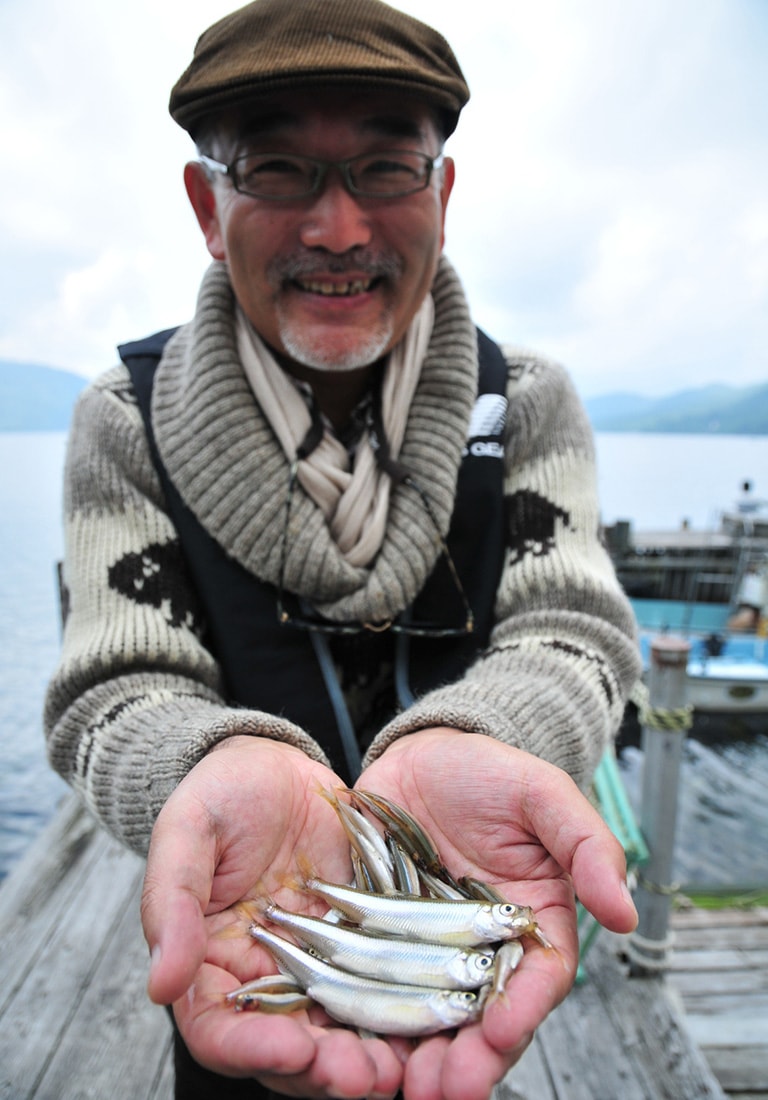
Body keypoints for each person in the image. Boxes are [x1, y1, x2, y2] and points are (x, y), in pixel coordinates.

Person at [44, 1, 642, 1097]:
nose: (337, 228)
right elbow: (118, 686)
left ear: (444, 194)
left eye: (384, 167)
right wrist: (206, 767)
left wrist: (489, 732)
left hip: (455, 970)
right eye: (274, 168)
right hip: (248, 945)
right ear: (204, 202)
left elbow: (575, 631)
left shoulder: (534, 404)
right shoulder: (123, 420)